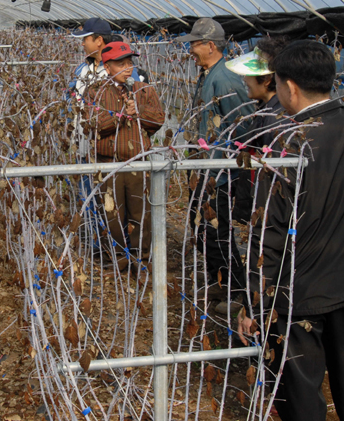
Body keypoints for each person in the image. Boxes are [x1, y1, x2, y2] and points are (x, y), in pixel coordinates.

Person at [237, 40, 344, 421]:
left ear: (290, 87)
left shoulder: (291, 142)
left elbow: (269, 229)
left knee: (300, 384)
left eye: (277, 83)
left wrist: (255, 302)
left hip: (301, 289)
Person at [179, 18, 254, 304]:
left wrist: (228, 163)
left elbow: (243, 128)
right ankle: (218, 279)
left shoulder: (225, 79)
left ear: (211, 46)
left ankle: (233, 289)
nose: (190, 50)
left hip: (218, 174)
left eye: (194, 45)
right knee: (201, 227)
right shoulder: (208, 74)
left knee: (216, 231)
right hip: (203, 169)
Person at [87, 41, 165, 270]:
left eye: (130, 63)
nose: (127, 68)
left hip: (137, 164)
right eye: (120, 64)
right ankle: (118, 259)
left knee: (141, 214)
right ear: (107, 67)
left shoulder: (144, 90)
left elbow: (158, 119)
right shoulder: (95, 91)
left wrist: (138, 111)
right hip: (108, 164)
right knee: (111, 214)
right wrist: (120, 114)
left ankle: (142, 260)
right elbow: (94, 125)